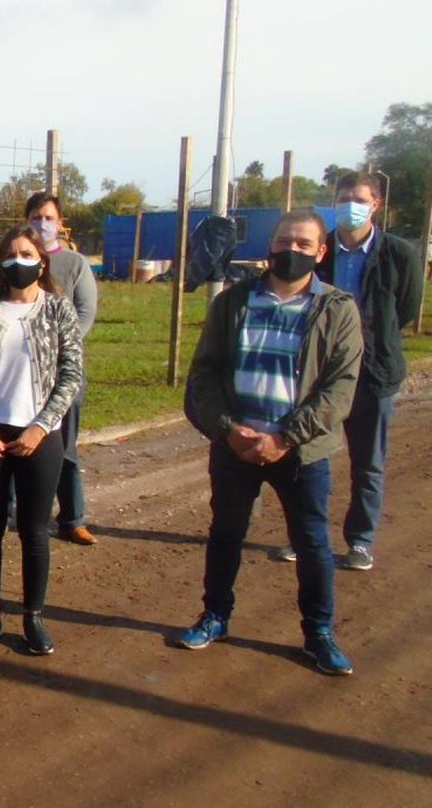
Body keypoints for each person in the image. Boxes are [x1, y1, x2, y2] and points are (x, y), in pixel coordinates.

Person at [174, 210, 363, 675]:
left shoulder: (337, 309)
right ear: (270, 246)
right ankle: (215, 615)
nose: (291, 251)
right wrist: (227, 429)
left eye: (303, 244)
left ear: (321, 252)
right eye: (284, 241)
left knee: (312, 541)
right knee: (226, 534)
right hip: (235, 445)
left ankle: (318, 632)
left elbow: (340, 388)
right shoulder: (234, 302)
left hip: (300, 450)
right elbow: (205, 373)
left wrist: (285, 437)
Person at [0, 225, 84, 654]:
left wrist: (41, 426)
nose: (18, 260)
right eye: (9, 254)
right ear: (0, 264)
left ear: (41, 260)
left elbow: (71, 375)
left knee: (34, 530)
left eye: (26, 253)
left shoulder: (58, 310)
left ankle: (33, 617)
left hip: (39, 436)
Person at [310, 172, 421, 572]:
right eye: (343, 198)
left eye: (358, 198)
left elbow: (405, 308)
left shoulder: (397, 254)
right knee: (309, 457)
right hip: (321, 369)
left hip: (374, 370)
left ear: (375, 204)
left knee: (368, 460)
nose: (349, 205)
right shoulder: (322, 253)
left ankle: (360, 540)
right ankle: (307, 535)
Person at [25, 191, 99, 545]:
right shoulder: (17, 258)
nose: (42, 224)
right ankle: (6, 512)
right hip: (22, 372)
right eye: (36, 217)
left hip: (64, 369)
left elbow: (85, 313)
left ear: (60, 222)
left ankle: (72, 517)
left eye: (49, 217)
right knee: (14, 440)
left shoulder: (74, 264)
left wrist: (58, 347)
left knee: (65, 446)